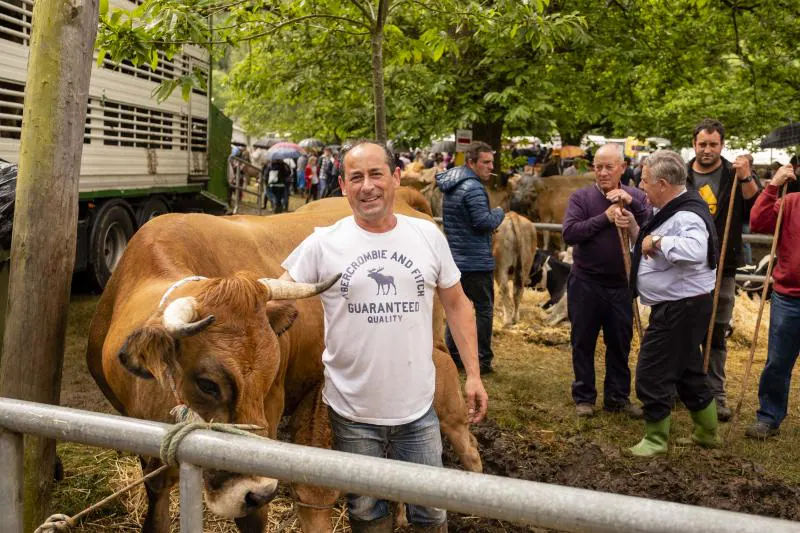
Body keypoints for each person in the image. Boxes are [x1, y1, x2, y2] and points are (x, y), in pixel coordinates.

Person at [280, 140, 488, 533]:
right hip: (351, 414)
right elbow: (275, 292)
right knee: (367, 515)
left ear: (395, 178)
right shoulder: (323, 244)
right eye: (356, 177)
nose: (367, 186)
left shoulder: (427, 236)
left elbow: (458, 305)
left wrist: (473, 374)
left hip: (418, 410)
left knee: (430, 512)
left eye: (376, 174)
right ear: (343, 186)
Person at [615, 150, 721, 456]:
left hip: (681, 308)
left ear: (662, 183)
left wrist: (657, 241)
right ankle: (707, 432)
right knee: (688, 372)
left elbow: (695, 251)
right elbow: (652, 248)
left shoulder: (687, 214)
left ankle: (656, 440)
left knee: (652, 372)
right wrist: (637, 230)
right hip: (682, 306)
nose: (642, 187)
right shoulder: (675, 207)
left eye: (646, 181)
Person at [561, 144, 649, 419]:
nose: (602, 172)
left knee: (620, 342)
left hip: (621, 284)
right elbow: (570, 233)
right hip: (586, 282)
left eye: (609, 167)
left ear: (622, 168)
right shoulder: (582, 198)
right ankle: (584, 396)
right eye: (598, 167)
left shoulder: (636, 196)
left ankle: (617, 397)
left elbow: (650, 227)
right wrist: (604, 218)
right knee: (583, 341)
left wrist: (632, 205)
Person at [686, 118, 760, 421]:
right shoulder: (681, 175)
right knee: (685, 329)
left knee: (716, 332)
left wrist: (745, 177)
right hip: (686, 265)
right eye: (702, 143)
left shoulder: (734, 174)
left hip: (722, 266)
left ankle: (715, 395)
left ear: (722, 145)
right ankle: (685, 389)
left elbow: (756, 207)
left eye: (713, 144)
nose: (707, 149)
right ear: (694, 144)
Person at [436, 141, 504, 375]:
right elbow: (482, 222)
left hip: (456, 259)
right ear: (471, 163)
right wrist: (499, 213)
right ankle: (483, 360)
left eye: (492, 162)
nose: (490, 166)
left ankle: (454, 358)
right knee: (484, 309)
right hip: (475, 261)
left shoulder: (452, 184)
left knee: (456, 308)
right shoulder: (473, 187)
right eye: (485, 162)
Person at [745, 163, 800, 439]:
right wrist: (773, 185)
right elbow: (759, 222)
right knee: (778, 361)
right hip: (789, 297)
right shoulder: (789, 202)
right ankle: (769, 416)